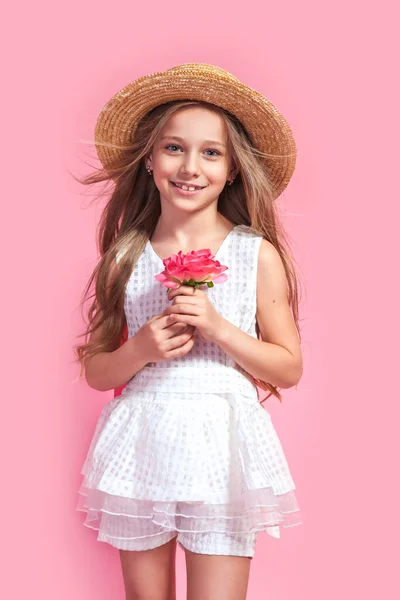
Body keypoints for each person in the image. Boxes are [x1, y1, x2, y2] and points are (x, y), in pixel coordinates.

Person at [74, 63, 304, 600]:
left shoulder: (254, 257)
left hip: (222, 444)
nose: (190, 166)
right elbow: (96, 368)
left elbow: (288, 368)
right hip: (142, 439)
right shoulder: (125, 257)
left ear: (233, 171)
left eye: (211, 152)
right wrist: (140, 350)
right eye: (174, 148)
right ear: (150, 160)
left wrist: (219, 328)